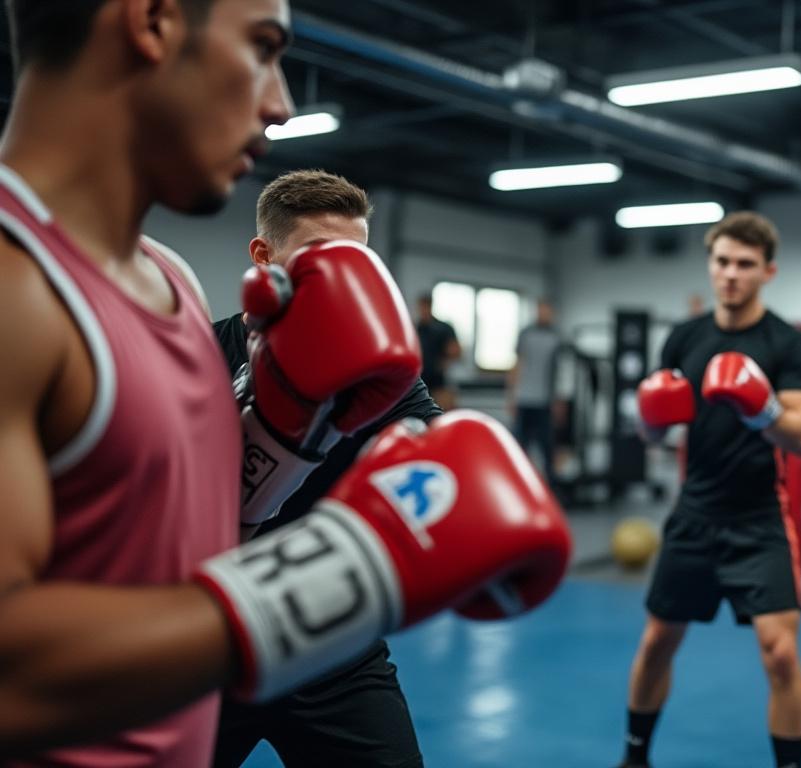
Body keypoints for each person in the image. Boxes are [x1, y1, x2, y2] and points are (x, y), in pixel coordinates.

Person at [0, 2, 570, 764]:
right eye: (263, 48)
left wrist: (280, 439)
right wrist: (352, 566)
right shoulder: (15, 294)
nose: (281, 103)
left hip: (240, 680)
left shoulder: (168, 281)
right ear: (154, 19)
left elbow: (176, 547)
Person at [211, 169, 440, 767]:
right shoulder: (199, 355)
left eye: (355, 260)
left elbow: (438, 452)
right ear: (264, 256)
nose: (339, 277)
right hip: (208, 644)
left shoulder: (378, 367)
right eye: (318, 258)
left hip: (331, 638)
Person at [622, 211, 801, 768]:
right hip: (695, 511)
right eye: (723, 262)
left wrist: (763, 407)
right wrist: (651, 420)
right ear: (711, 265)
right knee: (657, 641)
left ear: (768, 271)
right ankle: (634, 758)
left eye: (745, 265)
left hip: (759, 515)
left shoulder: (785, 344)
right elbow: (655, 431)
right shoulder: (685, 337)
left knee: (780, 655)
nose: (731, 274)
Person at [508, 299, 564, 485]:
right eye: (540, 310)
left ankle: (552, 488)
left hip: (545, 401)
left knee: (547, 448)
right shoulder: (525, 334)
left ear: (551, 313)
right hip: (524, 399)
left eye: (546, 310)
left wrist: (558, 400)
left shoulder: (557, 337)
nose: (543, 313)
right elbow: (518, 364)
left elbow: (560, 371)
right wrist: (512, 396)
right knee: (520, 448)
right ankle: (519, 484)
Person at [415, 293, 462, 410]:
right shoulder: (415, 329)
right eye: (421, 307)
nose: (423, 310)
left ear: (430, 306)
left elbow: (456, 351)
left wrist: (445, 362)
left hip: (439, 382)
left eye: (425, 306)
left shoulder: (443, 328)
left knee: (442, 414)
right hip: (419, 381)